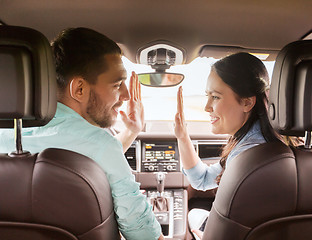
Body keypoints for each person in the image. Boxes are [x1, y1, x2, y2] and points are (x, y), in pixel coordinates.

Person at [0, 27, 163, 240]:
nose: (126, 95)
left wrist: (130, 132)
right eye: (117, 84)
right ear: (79, 89)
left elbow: (86, 154)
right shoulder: (101, 146)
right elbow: (142, 233)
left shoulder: (5, 140)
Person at [174, 52, 281, 239]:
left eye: (215, 97)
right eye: (207, 96)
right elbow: (202, 179)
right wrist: (183, 137)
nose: (207, 107)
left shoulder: (245, 158)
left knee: (192, 216)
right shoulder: (264, 143)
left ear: (247, 102)